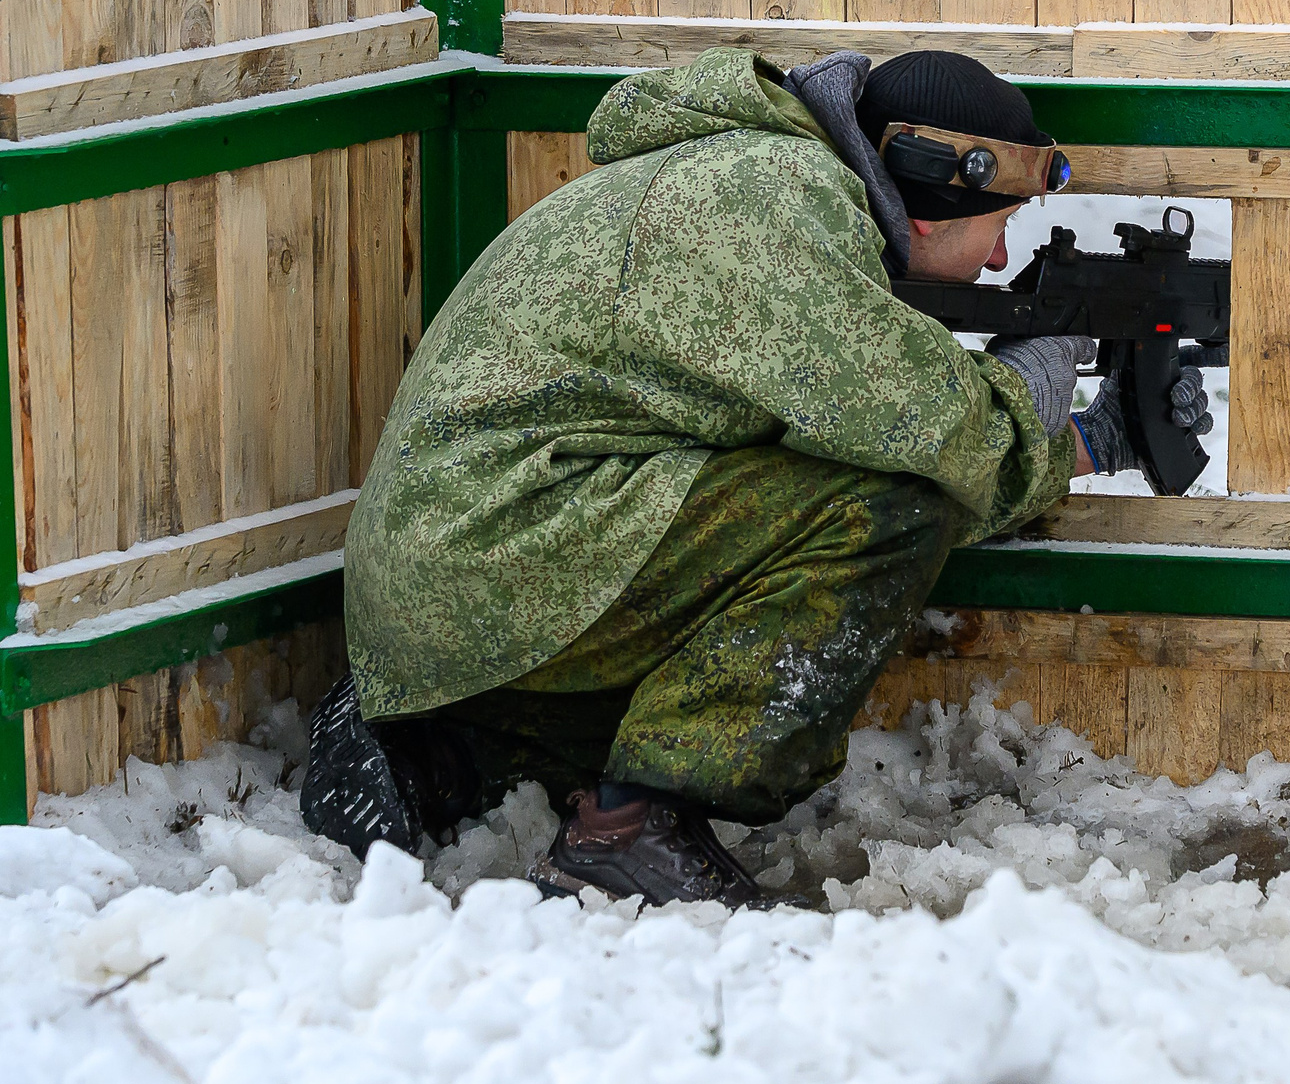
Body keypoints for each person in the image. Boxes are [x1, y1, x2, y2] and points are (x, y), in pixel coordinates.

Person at [301, 46, 1207, 905]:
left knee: (776, 536)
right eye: (999, 227)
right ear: (934, 203)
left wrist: (1084, 438)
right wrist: (1050, 403)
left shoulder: (742, 174)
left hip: (458, 577)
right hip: (508, 549)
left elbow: (828, 444)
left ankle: (441, 755)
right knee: (891, 507)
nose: (1002, 260)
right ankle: (627, 831)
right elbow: (939, 449)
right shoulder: (782, 206)